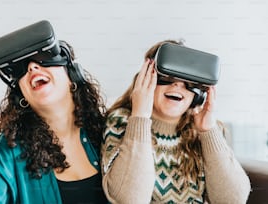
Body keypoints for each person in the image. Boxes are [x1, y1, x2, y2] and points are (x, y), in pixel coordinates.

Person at [0, 21, 109, 203]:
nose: (32, 67)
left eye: (42, 56)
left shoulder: (109, 133)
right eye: (21, 68)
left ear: (72, 75)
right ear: (22, 94)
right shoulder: (10, 154)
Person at [101, 40, 251, 204]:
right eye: (167, 75)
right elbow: (128, 199)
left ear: (199, 94)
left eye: (189, 80)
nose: (178, 84)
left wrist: (207, 131)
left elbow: (233, 200)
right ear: (146, 80)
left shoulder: (208, 130)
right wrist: (140, 117)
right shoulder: (121, 121)